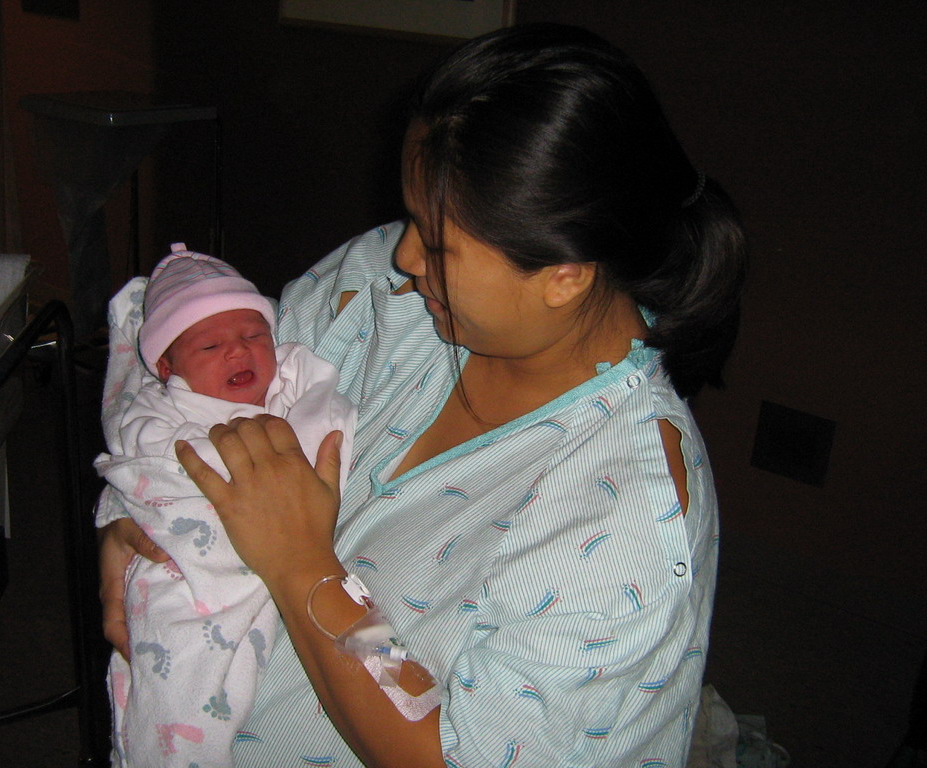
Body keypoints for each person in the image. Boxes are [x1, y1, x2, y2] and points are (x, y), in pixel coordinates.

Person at [98, 22, 746, 767]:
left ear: (564, 274)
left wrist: (305, 570)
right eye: (411, 220)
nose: (403, 254)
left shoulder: (622, 517)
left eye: (436, 244)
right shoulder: (378, 293)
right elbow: (194, 384)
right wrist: (130, 519)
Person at [93, 244, 355, 767]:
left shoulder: (292, 385)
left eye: (255, 336)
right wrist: (115, 517)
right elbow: (146, 462)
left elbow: (326, 418)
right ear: (167, 368)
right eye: (211, 345)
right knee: (181, 684)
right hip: (190, 572)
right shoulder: (163, 408)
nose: (239, 351)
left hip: (320, 588)